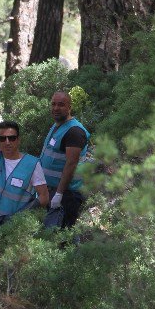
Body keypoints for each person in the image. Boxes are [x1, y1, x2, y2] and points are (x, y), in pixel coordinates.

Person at [0, 78, 49, 223]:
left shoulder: (32, 164)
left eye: (11, 138)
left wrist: (21, 215)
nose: (7, 142)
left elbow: (44, 197)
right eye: (2, 139)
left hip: (13, 227)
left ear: (18, 139)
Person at [40, 90, 90, 228]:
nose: (56, 108)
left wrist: (59, 194)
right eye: (53, 104)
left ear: (69, 107)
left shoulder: (74, 131)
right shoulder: (57, 126)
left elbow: (71, 164)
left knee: (60, 236)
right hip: (51, 190)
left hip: (67, 195)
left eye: (61, 104)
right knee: (58, 234)